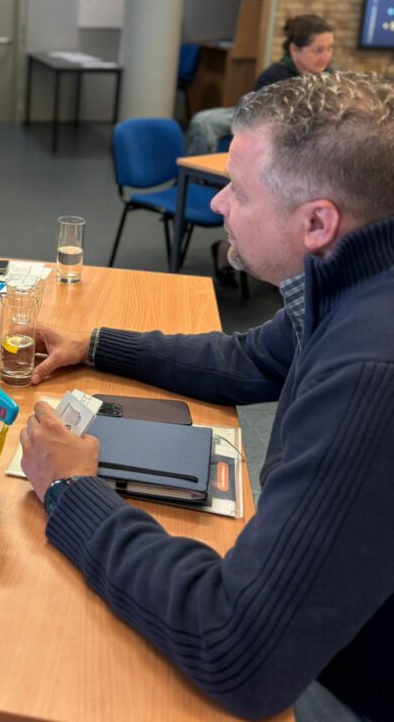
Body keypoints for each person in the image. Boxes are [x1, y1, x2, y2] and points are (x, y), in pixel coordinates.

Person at [20, 71, 393, 722]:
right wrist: (96, 344)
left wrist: (72, 491)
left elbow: (236, 649)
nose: (217, 204)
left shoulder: (371, 370)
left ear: (317, 221)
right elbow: (251, 359)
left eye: (239, 191)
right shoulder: (352, 280)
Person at [185, 14, 335, 156]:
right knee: (204, 122)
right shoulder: (274, 78)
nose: (326, 57)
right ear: (294, 50)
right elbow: (266, 129)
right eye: (318, 50)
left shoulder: (331, 78)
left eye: (329, 48)